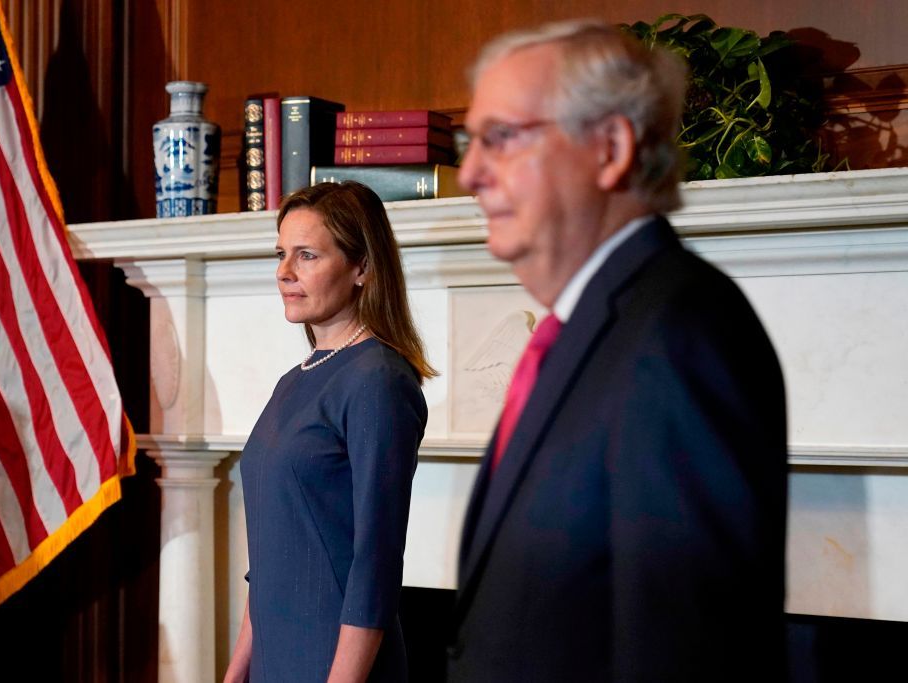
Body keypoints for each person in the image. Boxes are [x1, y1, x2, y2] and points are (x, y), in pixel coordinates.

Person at [448, 20, 788, 682]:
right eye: (470, 142)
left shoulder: (682, 334)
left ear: (609, 147)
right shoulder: (590, 331)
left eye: (500, 138)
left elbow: (689, 655)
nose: (468, 173)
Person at [224, 181, 435, 683]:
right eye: (281, 254)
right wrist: (238, 669)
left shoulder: (378, 380)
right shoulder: (292, 382)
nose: (284, 272)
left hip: (337, 665)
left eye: (307, 255)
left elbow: (376, 564)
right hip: (274, 660)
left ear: (362, 267)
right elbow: (272, 556)